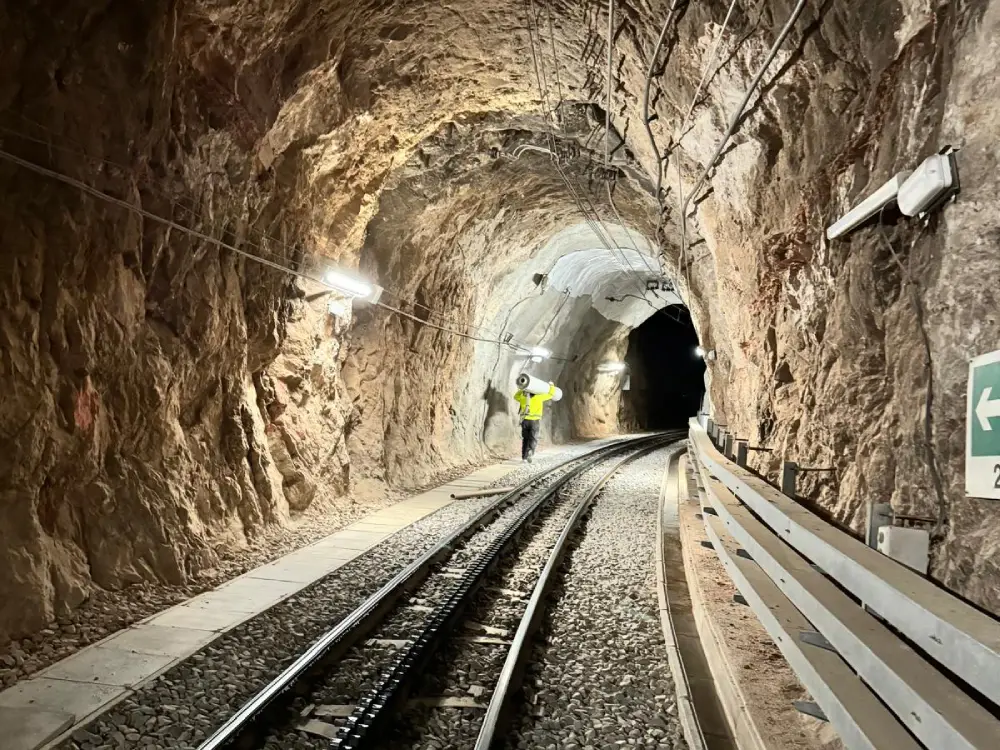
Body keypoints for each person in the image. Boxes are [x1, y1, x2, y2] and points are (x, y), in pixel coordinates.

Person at [513, 381, 557, 463]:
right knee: (533, 438)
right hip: (534, 421)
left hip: (525, 421)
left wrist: (522, 389)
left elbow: (515, 396)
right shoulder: (539, 397)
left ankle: (524, 458)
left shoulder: (523, 398)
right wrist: (551, 386)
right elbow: (551, 394)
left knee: (525, 439)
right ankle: (531, 451)